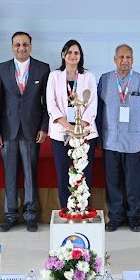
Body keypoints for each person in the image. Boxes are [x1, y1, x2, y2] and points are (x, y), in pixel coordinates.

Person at [0, 31, 50, 232]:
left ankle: (30, 215)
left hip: (31, 129)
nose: (21, 48)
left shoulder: (42, 68)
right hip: (7, 129)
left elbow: (47, 103)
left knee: (30, 172)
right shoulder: (2, 68)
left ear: (31, 47)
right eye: (17, 44)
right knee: (9, 173)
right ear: (12, 47)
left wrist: (44, 127)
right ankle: (10, 214)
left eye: (25, 44)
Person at [97, 44, 140, 232]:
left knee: (133, 183)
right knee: (113, 181)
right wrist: (98, 136)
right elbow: (98, 111)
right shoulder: (105, 80)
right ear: (114, 59)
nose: (125, 61)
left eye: (128, 57)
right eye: (121, 57)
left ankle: (133, 217)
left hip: (133, 140)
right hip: (111, 139)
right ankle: (115, 216)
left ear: (133, 60)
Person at [46, 39, 99, 208]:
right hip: (61, 133)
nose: (73, 56)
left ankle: (83, 209)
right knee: (63, 173)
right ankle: (66, 210)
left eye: (76, 53)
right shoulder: (54, 76)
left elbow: (92, 105)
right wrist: (70, 129)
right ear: (63, 55)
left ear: (80, 56)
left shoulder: (88, 76)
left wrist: (78, 129)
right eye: (69, 52)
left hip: (85, 133)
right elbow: (51, 104)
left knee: (84, 173)